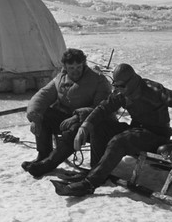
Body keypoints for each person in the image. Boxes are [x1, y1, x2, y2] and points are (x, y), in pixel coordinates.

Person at [53, 63, 172, 196]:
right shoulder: (122, 92)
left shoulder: (152, 90)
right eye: (116, 86)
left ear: (132, 82)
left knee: (120, 141)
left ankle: (90, 184)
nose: (118, 90)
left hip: (156, 134)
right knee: (99, 126)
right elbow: (103, 108)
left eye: (121, 86)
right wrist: (85, 126)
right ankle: (96, 171)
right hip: (136, 131)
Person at [22, 48, 113, 177]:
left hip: (93, 124)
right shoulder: (61, 78)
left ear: (84, 64)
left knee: (74, 128)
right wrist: (35, 116)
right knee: (44, 115)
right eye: (71, 68)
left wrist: (77, 117)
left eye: (79, 67)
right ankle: (43, 155)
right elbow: (42, 96)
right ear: (65, 66)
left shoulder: (97, 80)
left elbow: (102, 107)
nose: (75, 71)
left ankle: (49, 163)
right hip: (70, 119)